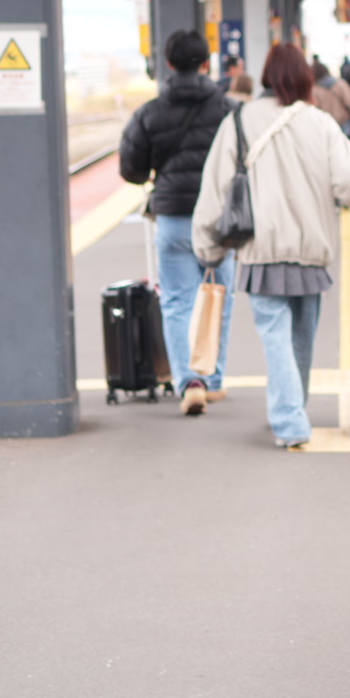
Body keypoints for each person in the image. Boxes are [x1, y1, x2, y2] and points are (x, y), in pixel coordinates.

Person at [192, 43, 350, 449]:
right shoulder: (319, 123)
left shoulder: (240, 120)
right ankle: (291, 412)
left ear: (267, 77)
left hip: (260, 250)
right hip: (311, 250)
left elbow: (214, 188)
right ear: (304, 79)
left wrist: (208, 247)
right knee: (301, 335)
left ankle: (290, 416)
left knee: (276, 334)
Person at [118, 29, 237, 415]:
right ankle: (213, 378)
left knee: (177, 302)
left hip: (172, 219)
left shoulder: (151, 112)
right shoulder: (227, 109)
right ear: (206, 64)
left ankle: (190, 381)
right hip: (219, 221)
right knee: (218, 298)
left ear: (168, 64)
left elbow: (132, 169)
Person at [310, 58, 350, 157]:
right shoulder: (339, 84)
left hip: (325, 128)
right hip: (344, 124)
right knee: (346, 154)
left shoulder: (314, 89)